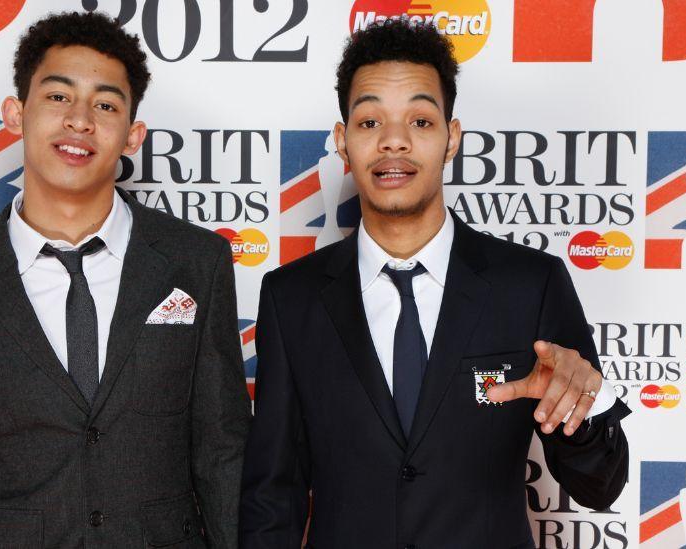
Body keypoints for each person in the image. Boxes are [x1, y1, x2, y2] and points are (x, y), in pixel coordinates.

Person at [240, 21, 630, 548]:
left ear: (452, 138)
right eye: (370, 119)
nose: (394, 140)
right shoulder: (292, 297)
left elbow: (599, 487)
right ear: (342, 142)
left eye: (421, 120)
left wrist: (585, 409)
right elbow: (274, 495)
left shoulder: (529, 284)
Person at [0, 12, 250, 548]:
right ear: (16, 114)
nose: (80, 121)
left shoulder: (196, 262)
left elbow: (223, 453)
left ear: (133, 135)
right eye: (59, 97)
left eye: (105, 105)